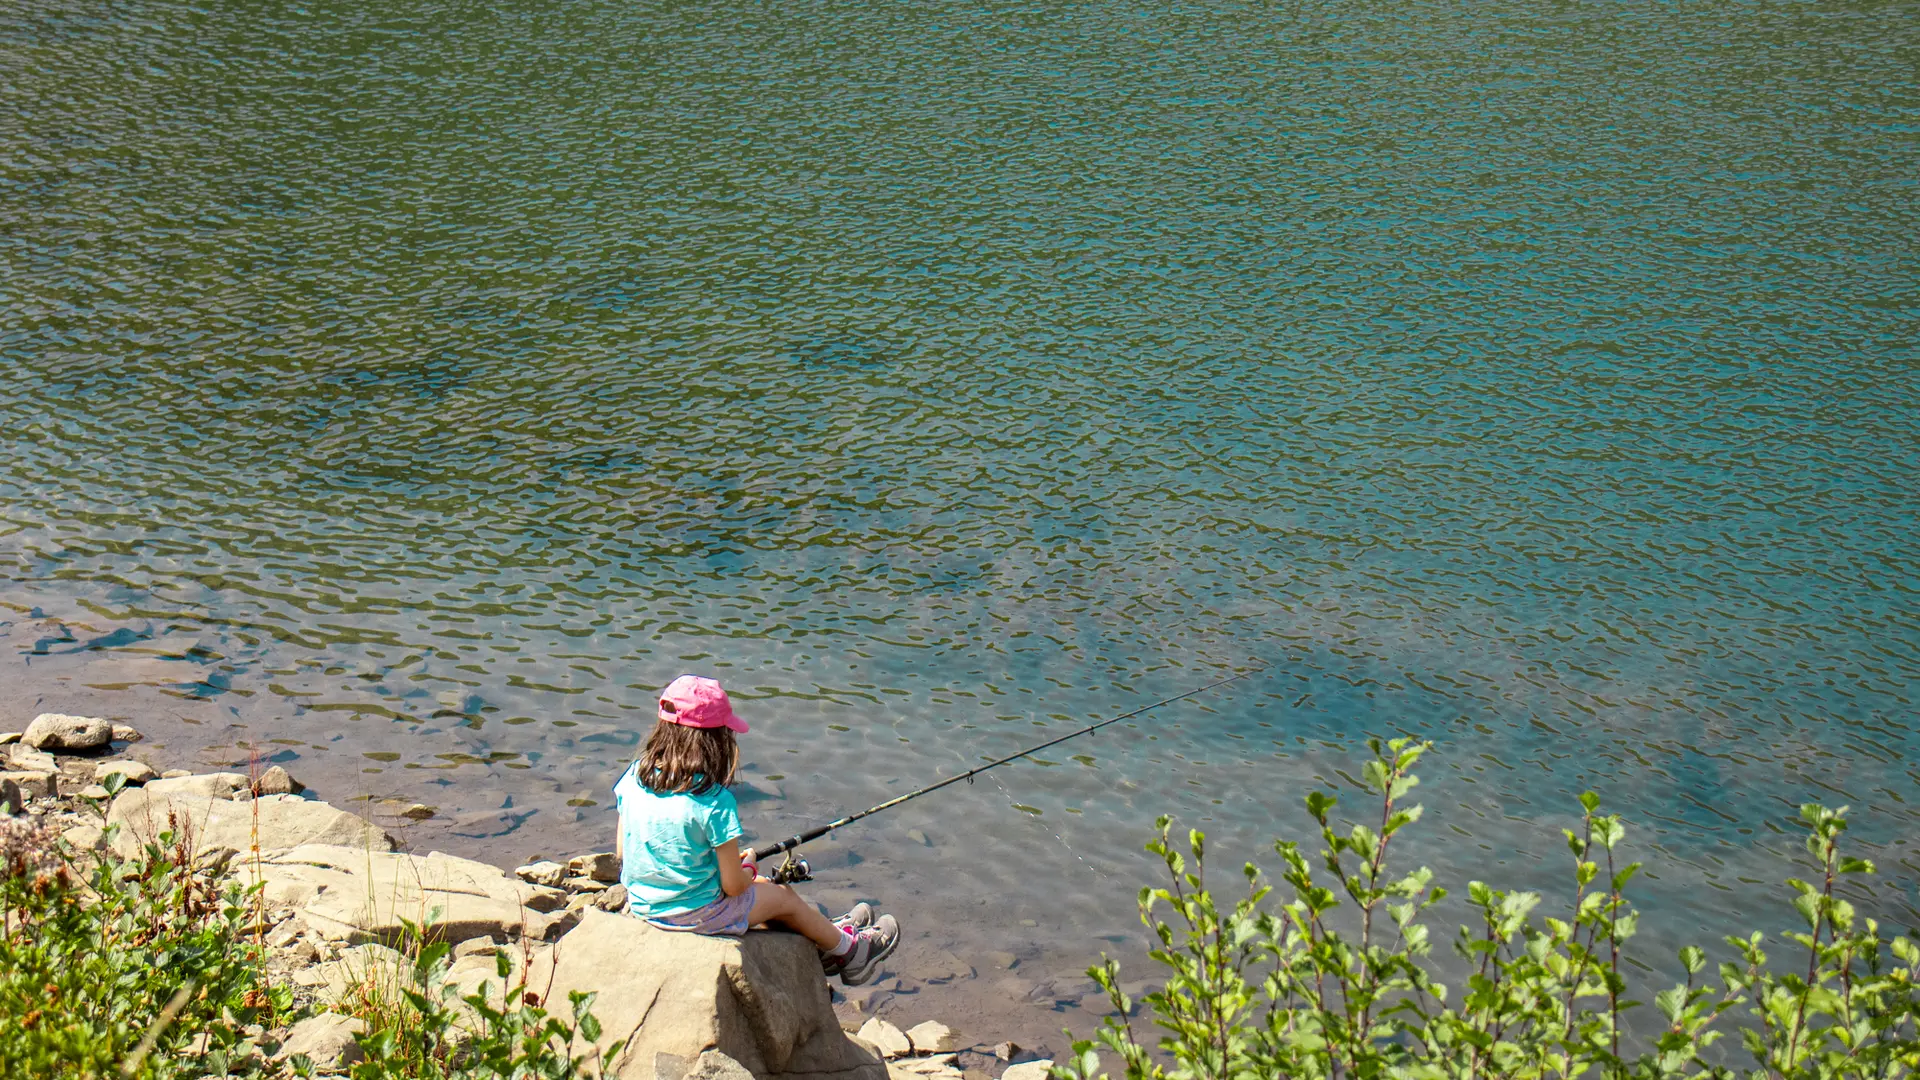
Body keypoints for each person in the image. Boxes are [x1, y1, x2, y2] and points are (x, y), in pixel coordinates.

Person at [613, 673, 901, 985]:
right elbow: (735, 888)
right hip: (693, 916)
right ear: (715, 742)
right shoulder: (713, 802)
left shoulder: (634, 776)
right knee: (782, 896)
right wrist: (746, 867)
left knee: (763, 885)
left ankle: (826, 936)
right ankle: (850, 952)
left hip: (644, 904)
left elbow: (622, 852)